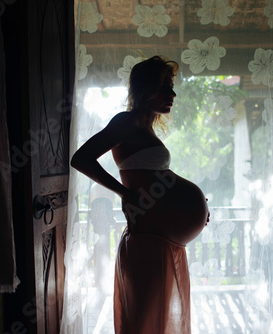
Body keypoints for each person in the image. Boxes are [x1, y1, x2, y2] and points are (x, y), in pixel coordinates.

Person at [71, 55, 209, 333]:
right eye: (164, 87)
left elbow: (154, 180)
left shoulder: (143, 128)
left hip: (161, 241)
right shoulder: (127, 122)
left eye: (171, 86)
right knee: (145, 322)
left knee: (155, 320)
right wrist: (123, 193)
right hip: (149, 241)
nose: (172, 94)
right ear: (145, 90)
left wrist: (195, 207)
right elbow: (81, 158)